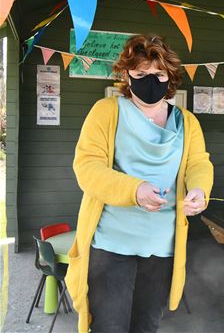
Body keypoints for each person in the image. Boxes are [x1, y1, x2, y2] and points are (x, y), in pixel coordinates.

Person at [65, 34, 214, 333]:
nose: (151, 81)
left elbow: (199, 164)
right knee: (109, 327)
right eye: (141, 74)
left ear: (170, 77)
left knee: (146, 326)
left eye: (159, 74)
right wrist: (134, 190)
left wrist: (199, 190)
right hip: (110, 246)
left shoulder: (187, 122)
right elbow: (87, 167)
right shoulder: (106, 112)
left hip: (162, 247)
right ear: (126, 75)